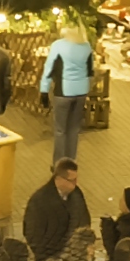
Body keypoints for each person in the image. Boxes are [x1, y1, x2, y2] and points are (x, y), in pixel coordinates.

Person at [38, 19, 96, 171]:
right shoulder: (86, 46)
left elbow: (49, 69)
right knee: (74, 129)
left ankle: (59, 164)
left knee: (60, 130)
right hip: (81, 91)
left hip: (63, 91)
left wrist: (44, 90)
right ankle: (71, 162)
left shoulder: (58, 46)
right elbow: (90, 70)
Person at [24, 157, 89, 261]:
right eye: (71, 180)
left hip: (73, 257)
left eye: (76, 179)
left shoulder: (76, 194)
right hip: (49, 260)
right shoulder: (39, 201)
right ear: (58, 179)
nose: (75, 183)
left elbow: (84, 219)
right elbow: (33, 233)